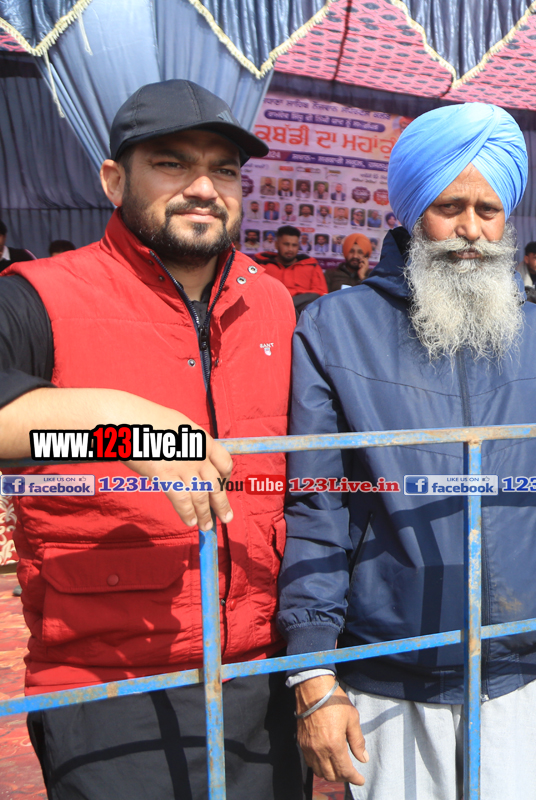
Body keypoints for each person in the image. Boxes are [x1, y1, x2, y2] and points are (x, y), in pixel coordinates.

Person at [278, 102, 536, 800]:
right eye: (449, 207)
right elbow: (317, 509)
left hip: (533, 667)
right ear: (412, 211)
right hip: (393, 674)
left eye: (488, 210)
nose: (471, 229)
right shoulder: (335, 330)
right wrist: (313, 670)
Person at [0, 79, 302, 798]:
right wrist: (124, 428)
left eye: (223, 169)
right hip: (107, 683)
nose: (203, 187)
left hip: (260, 669)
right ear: (114, 180)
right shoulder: (37, 293)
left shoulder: (274, 302)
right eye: (171, 163)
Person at [254, 224, 328, 317]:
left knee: (315, 298)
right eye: (286, 244)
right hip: (267, 310)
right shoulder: (262, 266)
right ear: (276, 245)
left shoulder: (312, 266)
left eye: (294, 245)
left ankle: (282, 309)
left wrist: (288, 299)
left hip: (300, 314)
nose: (290, 249)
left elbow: (320, 294)